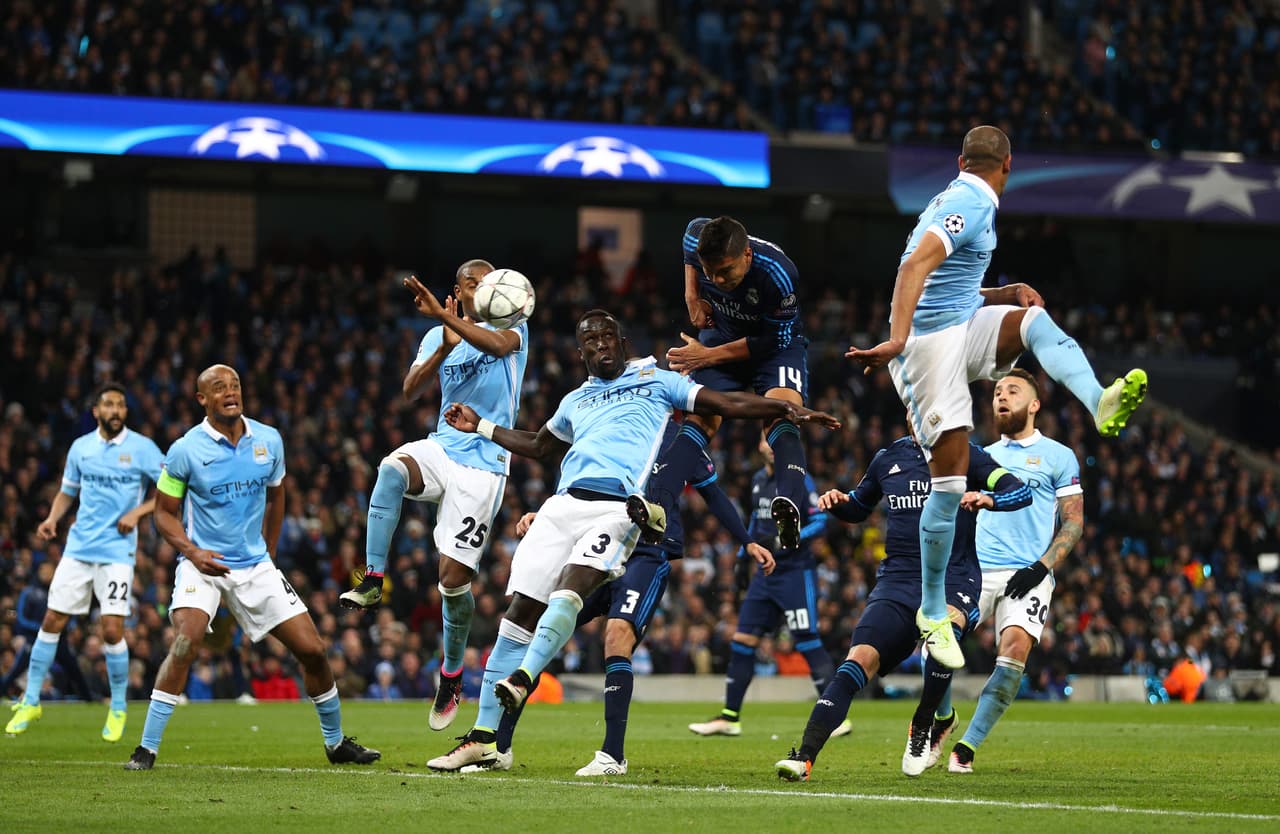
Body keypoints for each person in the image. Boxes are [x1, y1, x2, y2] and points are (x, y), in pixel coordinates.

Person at [426, 309, 838, 772]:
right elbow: (541, 446)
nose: (599, 344)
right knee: (517, 616)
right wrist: (480, 426)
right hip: (563, 506)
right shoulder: (575, 400)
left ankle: (535, 687)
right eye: (589, 339)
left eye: (606, 335)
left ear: (621, 340)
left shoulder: (658, 382)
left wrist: (786, 407)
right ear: (580, 352)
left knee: (575, 596)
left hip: (621, 511)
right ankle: (487, 739)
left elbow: (727, 407)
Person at [848, 126, 1146, 670]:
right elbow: (914, 267)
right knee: (951, 480)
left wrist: (1000, 295)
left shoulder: (964, 198)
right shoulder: (968, 201)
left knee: (1031, 320)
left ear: (962, 159)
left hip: (960, 323)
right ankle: (933, 612)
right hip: (925, 348)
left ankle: (1099, 398)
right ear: (1008, 164)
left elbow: (949, 280)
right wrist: (895, 338)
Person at [484, 419, 777, 776]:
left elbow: (713, 493)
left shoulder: (680, 439)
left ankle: (612, 756)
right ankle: (499, 747)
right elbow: (580, 483)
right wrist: (546, 517)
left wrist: (746, 541)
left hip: (647, 553)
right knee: (546, 631)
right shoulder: (613, 425)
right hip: (599, 545)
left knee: (617, 635)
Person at [125, 364, 378, 770]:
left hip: (256, 565)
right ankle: (147, 748)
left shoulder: (269, 440)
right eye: (219, 387)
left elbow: (277, 496)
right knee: (187, 641)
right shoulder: (185, 449)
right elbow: (164, 513)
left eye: (235, 385)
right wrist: (192, 553)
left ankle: (336, 744)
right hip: (203, 563)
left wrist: (270, 550)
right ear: (201, 399)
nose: (230, 392)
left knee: (313, 650)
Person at [773, 425, 1031, 782]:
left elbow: (1019, 492)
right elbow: (860, 506)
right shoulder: (888, 458)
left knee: (947, 634)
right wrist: (839, 503)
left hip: (953, 578)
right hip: (898, 581)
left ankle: (923, 723)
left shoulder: (966, 453)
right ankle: (803, 757)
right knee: (858, 660)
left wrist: (990, 499)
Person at [339, 260, 529, 733]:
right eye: (471, 284)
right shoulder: (439, 335)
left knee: (452, 583)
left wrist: (449, 322)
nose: (481, 291)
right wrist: (442, 347)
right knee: (389, 469)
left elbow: (494, 343)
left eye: (487, 284)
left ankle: (451, 674)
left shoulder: (512, 326)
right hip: (442, 447)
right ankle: (372, 579)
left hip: (485, 465)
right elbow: (408, 390)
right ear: (459, 292)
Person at [6, 383, 163, 742]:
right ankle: (30, 700)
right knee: (51, 619)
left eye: (121, 405)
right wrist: (52, 519)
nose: (115, 410)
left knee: (111, 630)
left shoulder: (142, 448)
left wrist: (138, 512)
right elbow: (68, 490)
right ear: (96, 411)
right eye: (108, 404)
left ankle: (119, 705)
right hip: (79, 548)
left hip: (117, 551)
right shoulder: (81, 448)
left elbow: (170, 487)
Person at [946, 369, 1084, 773]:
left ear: (1035, 404)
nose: (1001, 397)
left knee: (1015, 652)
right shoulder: (982, 456)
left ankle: (966, 748)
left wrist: (1042, 566)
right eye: (997, 392)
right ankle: (941, 718)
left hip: (1030, 574)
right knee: (936, 644)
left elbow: (1073, 521)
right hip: (978, 570)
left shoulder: (1059, 456)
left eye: (1013, 391)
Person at [667, 216, 813, 554]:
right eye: (710, 272)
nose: (717, 280)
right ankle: (658, 501)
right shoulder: (699, 238)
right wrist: (691, 294)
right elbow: (690, 236)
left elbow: (767, 342)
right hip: (721, 333)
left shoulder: (778, 274)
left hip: (773, 348)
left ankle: (788, 505)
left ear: (746, 254)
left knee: (782, 412)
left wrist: (707, 357)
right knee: (701, 416)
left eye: (725, 272)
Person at [689, 435, 851, 739]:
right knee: (742, 640)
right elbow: (754, 522)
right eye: (767, 441)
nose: (773, 446)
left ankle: (836, 717)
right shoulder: (758, 480)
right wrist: (741, 556)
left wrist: (780, 541)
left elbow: (820, 522)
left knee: (806, 639)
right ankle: (729, 717)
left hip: (794, 572)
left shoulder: (800, 480)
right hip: (764, 575)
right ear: (760, 447)